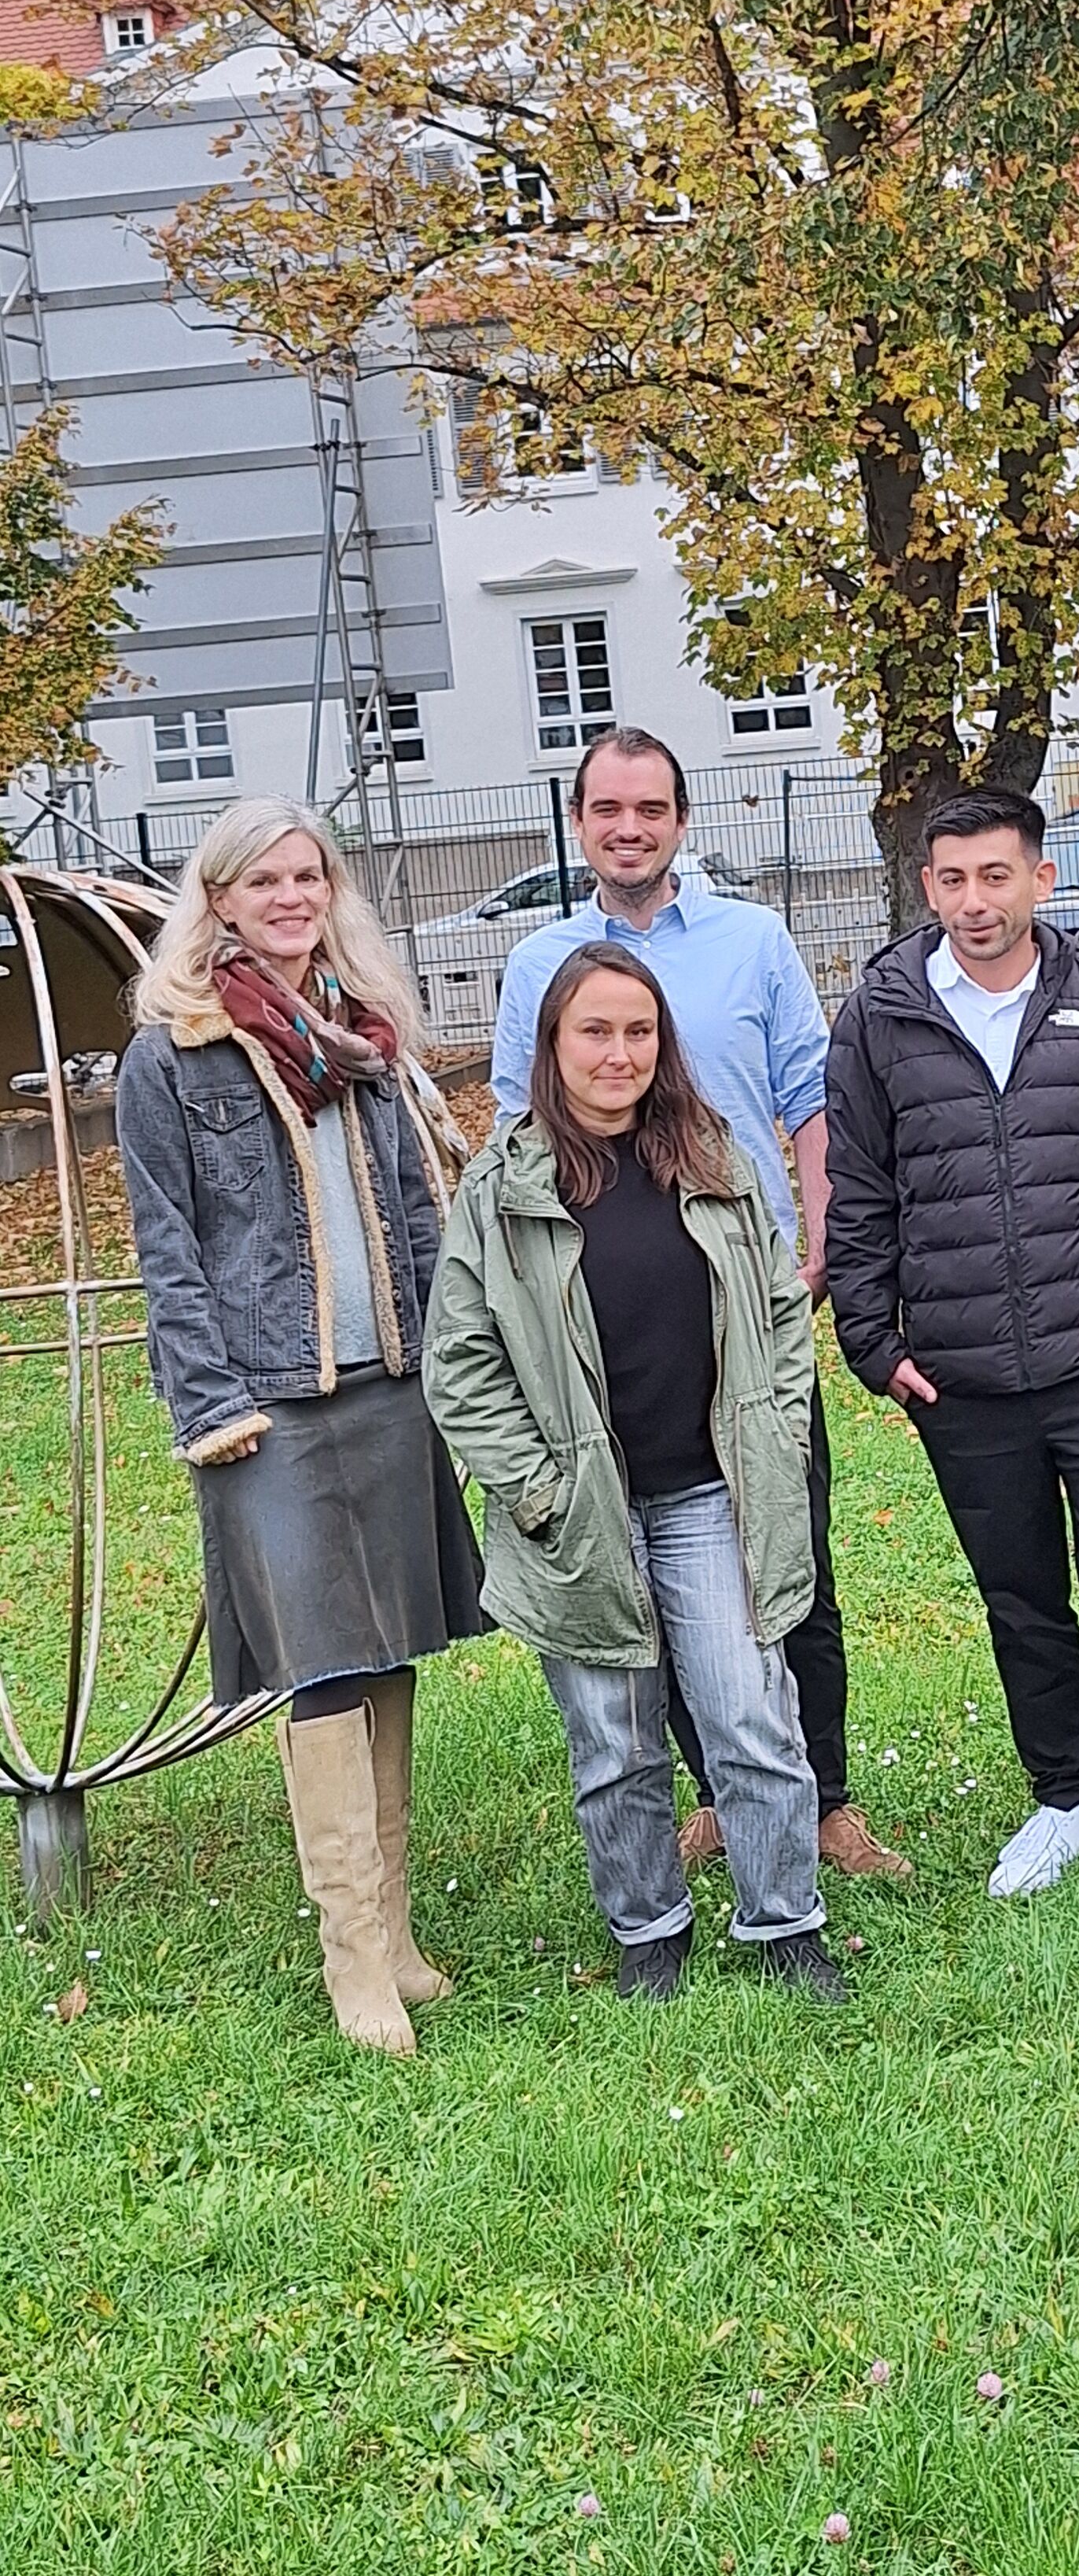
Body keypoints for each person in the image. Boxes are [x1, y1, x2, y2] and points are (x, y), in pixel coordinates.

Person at [490, 725, 905, 1880]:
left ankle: (824, 1801)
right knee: (648, 1565)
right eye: (607, 810)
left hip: (744, 1307)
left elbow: (811, 1101)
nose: (629, 829)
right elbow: (515, 1134)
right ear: (579, 822)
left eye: (651, 810)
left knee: (787, 1554)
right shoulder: (538, 965)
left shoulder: (752, 941)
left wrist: (819, 1243)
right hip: (610, 1322)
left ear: (681, 820)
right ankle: (723, 1796)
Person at [116, 799, 483, 2057]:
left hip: (390, 1385)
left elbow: (420, 1212)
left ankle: (396, 1933)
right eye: (262, 880)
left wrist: (448, 1359)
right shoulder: (173, 1052)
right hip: (267, 1407)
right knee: (323, 1656)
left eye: (307, 876)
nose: (289, 897)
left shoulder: (362, 1036)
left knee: (390, 1648)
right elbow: (168, 1249)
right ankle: (351, 1959)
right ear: (218, 899)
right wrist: (210, 1401)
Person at [823, 789, 1079, 1910]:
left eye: (996, 876)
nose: (974, 901)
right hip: (962, 1376)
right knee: (1021, 1596)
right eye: (951, 879)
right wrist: (873, 1339)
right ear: (927, 886)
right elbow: (860, 1185)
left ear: (1040, 880)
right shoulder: (880, 1016)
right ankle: (1069, 1796)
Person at [426, 946, 848, 2002]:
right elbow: (461, 1362)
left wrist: (776, 1431)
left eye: (638, 1032)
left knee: (750, 1721)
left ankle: (784, 1923)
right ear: (552, 1046)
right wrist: (538, 1487)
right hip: (579, 1509)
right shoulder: (503, 1188)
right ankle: (650, 1928)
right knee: (614, 1742)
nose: (618, 1054)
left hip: (712, 1495)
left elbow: (778, 1313)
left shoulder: (712, 1156)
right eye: (595, 1032)